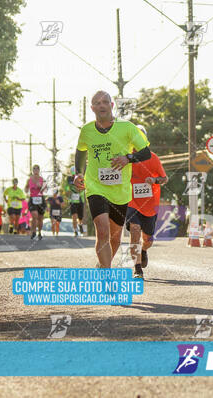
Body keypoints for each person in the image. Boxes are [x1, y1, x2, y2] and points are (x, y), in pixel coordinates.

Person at [73, 90, 150, 268]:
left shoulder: (127, 128)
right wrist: (78, 173)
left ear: (111, 105)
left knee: (115, 238)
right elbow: (80, 151)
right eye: (97, 103)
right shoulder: (87, 130)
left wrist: (127, 158)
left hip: (120, 191)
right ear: (92, 108)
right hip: (95, 186)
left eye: (105, 102)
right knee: (102, 230)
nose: (101, 105)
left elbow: (145, 152)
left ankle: (102, 265)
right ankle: (107, 277)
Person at [125, 125, 168, 279]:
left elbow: (164, 178)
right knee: (135, 229)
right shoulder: (126, 158)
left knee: (148, 239)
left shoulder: (153, 158)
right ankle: (137, 269)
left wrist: (154, 180)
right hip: (131, 202)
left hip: (150, 205)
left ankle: (143, 250)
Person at [25, 165, 47, 240]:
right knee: (34, 215)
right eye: (34, 168)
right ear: (32, 170)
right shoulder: (29, 179)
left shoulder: (42, 179)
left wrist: (40, 187)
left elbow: (45, 190)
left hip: (41, 199)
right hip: (33, 199)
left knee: (40, 218)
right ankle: (33, 231)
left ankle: (39, 232)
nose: (36, 170)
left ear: (39, 170)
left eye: (37, 168)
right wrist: (26, 189)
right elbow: (26, 188)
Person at [67, 166, 85, 237]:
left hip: (80, 199)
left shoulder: (81, 178)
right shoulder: (69, 179)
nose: (74, 175)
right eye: (73, 173)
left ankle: (80, 225)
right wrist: (68, 191)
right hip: (73, 200)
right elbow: (67, 187)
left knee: (80, 217)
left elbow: (84, 186)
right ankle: (75, 230)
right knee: (74, 216)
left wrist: (80, 189)